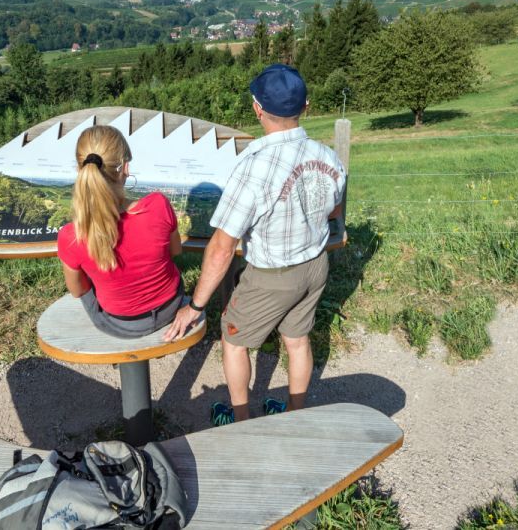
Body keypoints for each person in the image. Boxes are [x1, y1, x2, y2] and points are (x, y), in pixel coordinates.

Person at [163, 64, 345, 425]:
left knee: (234, 341)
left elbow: (222, 246)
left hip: (270, 276)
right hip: (315, 264)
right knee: (298, 341)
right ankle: (294, 415)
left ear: (257, 109)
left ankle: (242, 421)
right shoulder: (327, 156)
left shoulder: (254, 167)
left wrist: (196, 305)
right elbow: (334, 210)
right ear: (305, 106)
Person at [57, 125, 192, 338]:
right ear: (125, 168)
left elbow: (77, 290)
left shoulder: (72, 236)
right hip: (170, 307)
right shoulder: (158, 205)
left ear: (79, 170)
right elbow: (175, 251)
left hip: (120, 324)